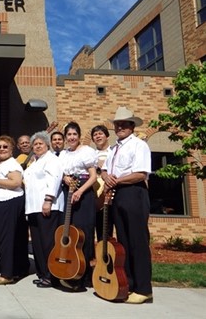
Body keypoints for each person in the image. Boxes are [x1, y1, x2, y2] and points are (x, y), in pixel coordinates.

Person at [102, 106, 152, 304]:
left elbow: (141, 174)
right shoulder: (113, 148)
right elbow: (104, 169)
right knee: (123, 242)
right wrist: (106, 177)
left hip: (134, 193)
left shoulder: (139, 145)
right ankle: (128, 284)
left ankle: (144, 288)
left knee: (137, 241)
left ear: (132, 126)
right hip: (117, 194)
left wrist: (117, 180)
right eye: (117, 124)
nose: (120, 127)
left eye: (124, 124)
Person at [0, 135, 30, 285]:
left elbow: (16, 182)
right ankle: (17, 269)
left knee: (6, 239)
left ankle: (7, 274)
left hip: (8, 202)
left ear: (12, 150)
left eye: (5, 147)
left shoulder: (12, 163)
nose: (2, 149)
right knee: (11, 238)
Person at [58, 121, 97, 291]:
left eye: (74, 134)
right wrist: (65, 178)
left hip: (84, 194)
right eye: (69, 135)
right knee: (69, 232)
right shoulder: (63, 154)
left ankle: (84, 275)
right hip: (68, 193)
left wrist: (80, 191)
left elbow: (93, 177)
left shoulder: (87, 152)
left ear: (79, 136)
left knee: (84, 234)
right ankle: (70, 269)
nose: (72, 137)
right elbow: (62, 172)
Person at [23, 131, 64, 289]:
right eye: (35, 144)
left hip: (48, 206)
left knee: (48, 243)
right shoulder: (35, 162)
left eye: (40, 143)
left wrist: (48, 200)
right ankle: (42, 273)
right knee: (37, 243)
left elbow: (54, 179)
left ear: (47, 145)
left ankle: (51, 276)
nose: (37, 146)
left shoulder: (51, 160)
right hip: (33, 208)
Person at [91, 125, 113, 241]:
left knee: (108, 232)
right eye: (95, 135)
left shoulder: (113, 152)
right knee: (99, 230)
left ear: (107, 136)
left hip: (110, 196)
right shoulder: (91, 154)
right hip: (95, 198)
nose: (98, 136)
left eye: (100, 133)